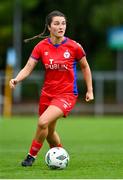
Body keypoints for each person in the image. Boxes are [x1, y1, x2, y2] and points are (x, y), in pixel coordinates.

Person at [9, 10, 94, 167]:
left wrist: (89, 90)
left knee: (42, 123)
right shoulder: (41, 47)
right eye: (56, 23)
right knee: (49, 132)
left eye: (63, 23)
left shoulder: (74, 46)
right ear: (49, 27)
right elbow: (28, 67)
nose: (61, 27)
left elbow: (85, 67)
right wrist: (16, 79)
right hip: (47, 94)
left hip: (67, 94)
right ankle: (61, 156)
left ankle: (30, 157)